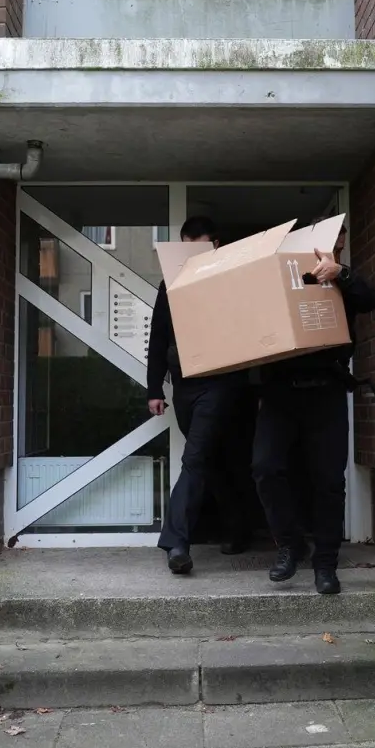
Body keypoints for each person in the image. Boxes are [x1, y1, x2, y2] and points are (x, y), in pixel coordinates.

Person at [251, 219, 375, 595]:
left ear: (340, 243)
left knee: (328, 481)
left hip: (326, 392)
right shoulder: (279, 278)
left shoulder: (344, 279)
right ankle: (291, 545)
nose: (333, 243)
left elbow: (371, 299)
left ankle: (325, 564)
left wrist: (341, 274)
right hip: (279, 393)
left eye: (338, 238)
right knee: (265, 468)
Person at [148, 216, 254, 575]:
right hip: (185, 389)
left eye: (200, 245)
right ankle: (240, 529)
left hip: (221, 385)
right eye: (186, 246)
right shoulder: (170, 286)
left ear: (216, 244)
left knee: (194, 459)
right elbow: (158, 339)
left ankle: (176, 542)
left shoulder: (233, 280)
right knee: (214, 462)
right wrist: (153, 389)